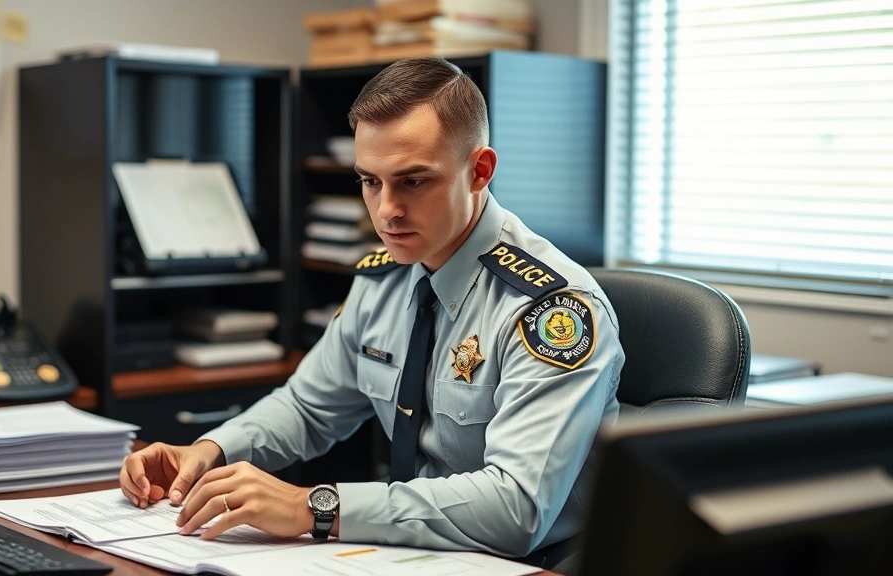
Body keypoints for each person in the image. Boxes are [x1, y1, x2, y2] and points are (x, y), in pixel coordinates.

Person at [119, 57, 624, 570]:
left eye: (412, 182)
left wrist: (311, 506)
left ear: (479, 171)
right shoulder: (386, 277)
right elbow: (308, 407)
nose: (385, 211)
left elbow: (517, 508)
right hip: (407, 550)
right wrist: (210, 450)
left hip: (529, 563)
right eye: (369, 181)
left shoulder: (550, 310)